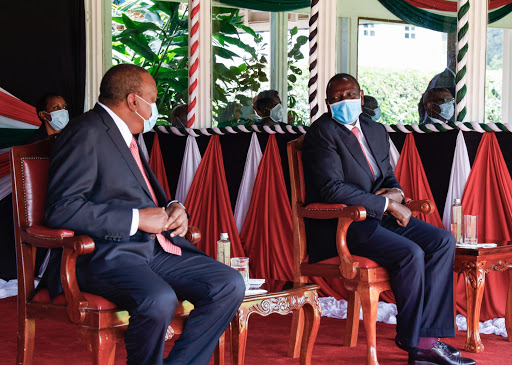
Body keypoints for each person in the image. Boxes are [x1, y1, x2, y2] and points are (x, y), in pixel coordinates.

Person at [43, 64, 245, 365]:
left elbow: (140, 192)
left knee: (228, 284)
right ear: (133, 101)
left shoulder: (126, 133)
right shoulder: (85, 132)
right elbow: (62, 209)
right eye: (152, 99)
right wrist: (137, 219)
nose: (155, 108)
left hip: (152, 248)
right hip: (104, 255)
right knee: (158, 299)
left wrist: (175, 206)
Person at [301, 73, 475, 365]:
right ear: (328, 102)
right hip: (344, 224)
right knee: (410, 253)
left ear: (361, 93)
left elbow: (386, 175)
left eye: (350, 94)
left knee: (442, 241)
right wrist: (386, 205)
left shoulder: (375, 129)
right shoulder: (322, 132)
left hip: (378, 219)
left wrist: (396, 192)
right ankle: (415, 344)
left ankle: (428, 338)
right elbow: (332, 189)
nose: (345, 101)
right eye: (338, 97)